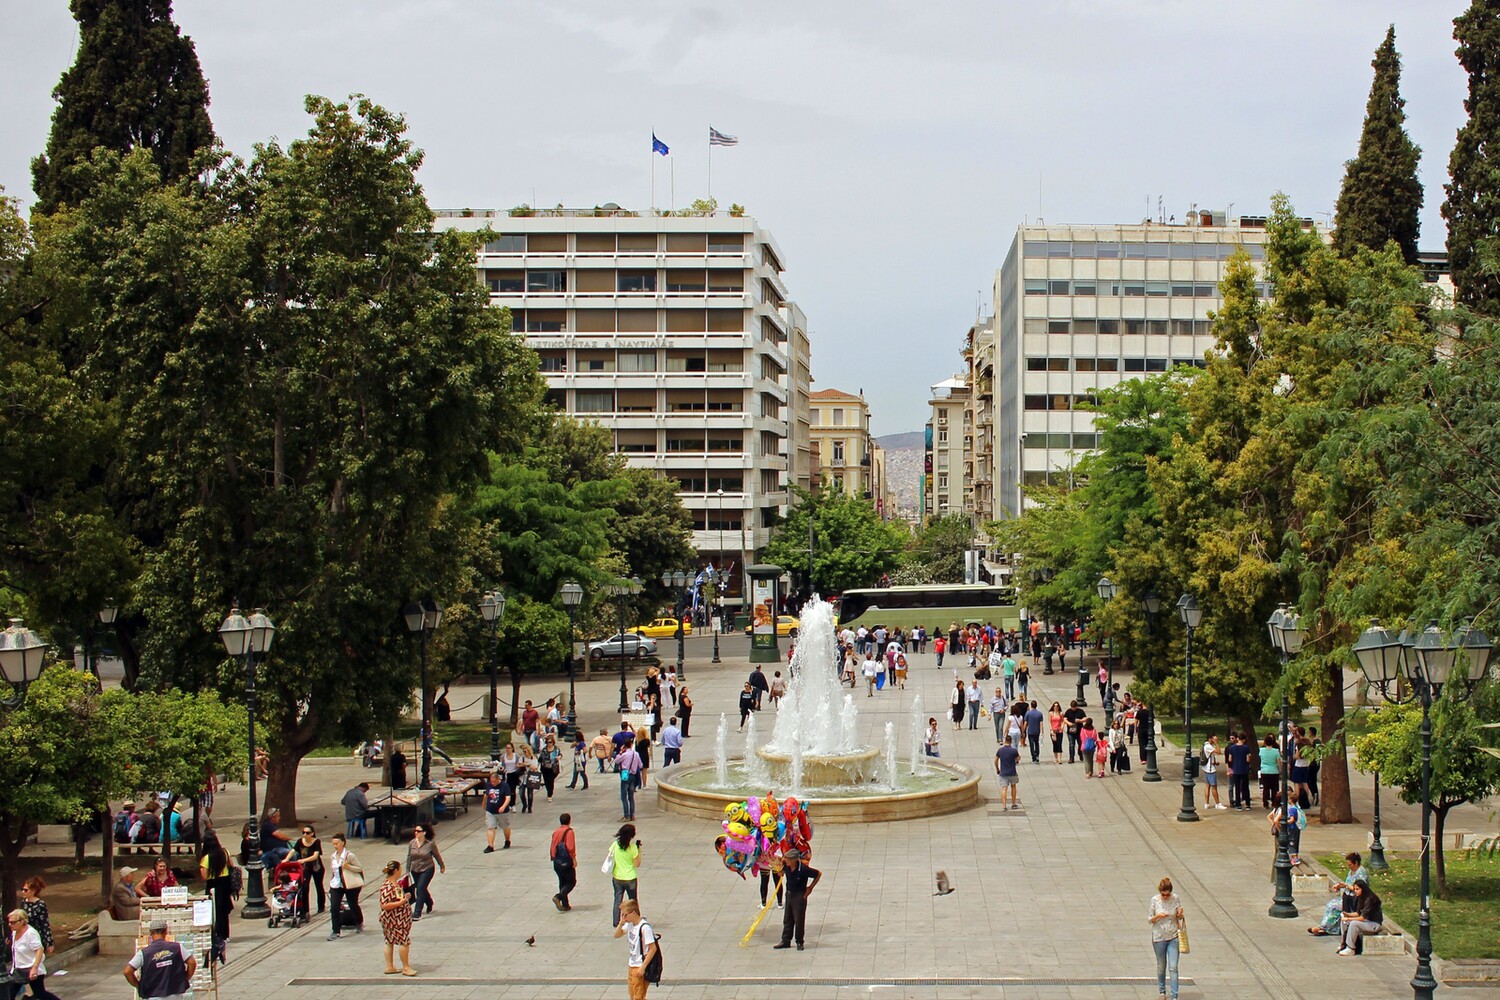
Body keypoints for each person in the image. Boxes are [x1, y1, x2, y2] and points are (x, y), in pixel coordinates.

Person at [123, 917, 194, 1000]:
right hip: (174, 994)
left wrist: (138, 985)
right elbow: (192, 963)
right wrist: (184, 979)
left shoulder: (144, 953)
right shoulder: (178, 947)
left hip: (153, 995)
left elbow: (127, 971)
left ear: (151, 933)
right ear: (165, 932)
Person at [772, 848, 821, 951]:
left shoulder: (803, 869)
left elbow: (818, 874)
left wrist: (810, 888)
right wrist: (780, 872)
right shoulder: (786, 865)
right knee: (787, 919)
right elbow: (781, 870)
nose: (786, 861)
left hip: (799, 895)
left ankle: (799, 941)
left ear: (794, 860)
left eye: (788, 859)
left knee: (799, 919)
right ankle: (785, 940)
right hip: (789, 894)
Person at [1313, 851, 1368, 937]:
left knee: (1334, 907)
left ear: (1356, 863)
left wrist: (1346, 886)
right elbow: (1348, 884)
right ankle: (1327, 927)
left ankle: (1325, 928)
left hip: (1355, 900)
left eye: (1350, 864)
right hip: (1347, 897)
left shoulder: (1361, 872)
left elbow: (1359, 889)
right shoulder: (1351, 872)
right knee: (1330, 904)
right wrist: (1339, 885)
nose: (1349, 866)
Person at [377, 859, 416, 976]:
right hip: (395, 919)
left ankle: (390, 966)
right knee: (403, 941)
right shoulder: (387, 886)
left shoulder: (394, 884)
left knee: (389, 941)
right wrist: (402, 902)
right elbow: (384, 905)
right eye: (400, 869)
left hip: (397, 918)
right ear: (396, 870)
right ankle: (406, 967)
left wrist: (404, 897)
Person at [1147, 877, 1184, 1000]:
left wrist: (1179, 914)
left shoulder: (1176, 898)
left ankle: (1174, 995)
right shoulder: (1155, 900)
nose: (1166, 897)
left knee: (1173, 967)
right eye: (1164, 895)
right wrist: (1158, 916)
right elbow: (1149, 919)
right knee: (1161, 965)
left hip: (1173, 936)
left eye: (1168, 895)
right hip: (1159, 937)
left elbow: (1179, 916)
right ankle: (1162, 991)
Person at [614, 899, 657, 1000]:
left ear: (633, 913)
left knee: (638, 996)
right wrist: (620, 924)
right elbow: (617, 935)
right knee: (633, 994)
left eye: (625, 914)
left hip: (639, 965)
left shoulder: (644, 928)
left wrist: (643, 967)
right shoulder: (629, 924)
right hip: (632, 964)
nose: (623, 917)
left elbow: (652, 948)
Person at [326, 831, 364, 940]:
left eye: (336, 843)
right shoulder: (333, 856)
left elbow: (359, 868)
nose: (335, 846)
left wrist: (348, 866)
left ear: (342, 843)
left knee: (353, 904)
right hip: (336, 884)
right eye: (333, 844)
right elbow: (333, 872)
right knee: (334, 907)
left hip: (349, 884)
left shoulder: (349, 855)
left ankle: (359, 921)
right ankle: (335, 931)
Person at [197, 834, 233, 948]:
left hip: (213, 884)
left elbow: (204, 875)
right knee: (223, 909)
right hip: (225, 882)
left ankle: (215, 933)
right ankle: (225, 934)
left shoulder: (206, 858)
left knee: (214, 909)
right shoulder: (225, 852)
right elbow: (231, 864)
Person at [405, 823, 445, 921]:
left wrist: (441, 865)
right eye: (415, 831)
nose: (416, 833)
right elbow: (409, 856)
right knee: (420, 888)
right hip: (415, 869)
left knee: (420, 888)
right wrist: (407, 869)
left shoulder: (430, 844)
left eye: (418, 831)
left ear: (424, 833)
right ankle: (429, 902)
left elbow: (436, 855)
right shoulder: (412, 843)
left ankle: (417, 912)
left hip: (427, 869)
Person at [607, 824, 642, 927]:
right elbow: (637, 864)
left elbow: (610, 854)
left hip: (617, 877)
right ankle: (637, 920)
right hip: (630, 877)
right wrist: (639, 849)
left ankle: (616, 921)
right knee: (633, 900)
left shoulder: (615, 844)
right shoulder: (632, 848)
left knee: (617, 899)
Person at [1338, 879, 1383, 956]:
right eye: (1354, 889)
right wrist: (1347, 914)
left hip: (1374, 924)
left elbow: (1362, 918)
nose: (1355, 891)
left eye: (1357, 889)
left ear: (1363, 889)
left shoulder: (1370, 899)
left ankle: (1351, 948)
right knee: (1344, 922)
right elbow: (1358, 913)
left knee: (1354, 924)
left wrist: (1348, 919)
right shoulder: (1360, 897)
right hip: (1366, 922)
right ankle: (1344, 944)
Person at [289, 824, 325, 915]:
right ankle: (305, 910)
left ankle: (321, 906)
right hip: (305, 868)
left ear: (312, 833)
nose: (305, 834)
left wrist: (303, 860)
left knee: (319, 886)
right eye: (303, 832)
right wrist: (286, 859)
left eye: (307, 833)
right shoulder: (300, 841)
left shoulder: (316, 842)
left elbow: (315, 856)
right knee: (304, 887)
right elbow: (293, 850)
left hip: (316, 867)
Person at [17, 879, 54, 963]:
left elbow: (44, 923)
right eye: (22, 889)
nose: (23, 892)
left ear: (33, 891)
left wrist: (49, 942)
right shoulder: (24, 902)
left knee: (35, 959)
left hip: (36, 934)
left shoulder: (40, 904)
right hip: (24, 934)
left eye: (26, 890)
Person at [549, 813, 577, 911]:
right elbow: (570, 847)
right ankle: (559, 896)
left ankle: (565, 904)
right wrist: (573, 859)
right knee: (571, 881)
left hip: (557, 861)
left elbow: (552, 846)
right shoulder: (569, 832)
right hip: (566, 861)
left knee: (562, 882)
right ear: (569, 821)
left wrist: (553, 858)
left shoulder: (556, 831)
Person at [1270, 793, 1306, 866]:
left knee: (1291, 843)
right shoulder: (1296, 807)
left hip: (1293, 828)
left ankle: (1294, 859)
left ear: (1291, 800)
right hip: (1296, 828)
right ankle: (1295, 858)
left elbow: (1292, 819)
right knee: (1294, 842)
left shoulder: (1292, 809)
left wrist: (1285, 822)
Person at [481, 771, 513, 853]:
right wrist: (484, 803)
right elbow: (486, 795)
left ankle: (507, 840)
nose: (493, 783)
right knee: (490, 827)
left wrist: (503, 806)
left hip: (502, 812)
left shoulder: (504, 785)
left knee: (505, 826)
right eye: (492, 781)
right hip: (491, 810)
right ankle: (490, 846)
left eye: (494, 781)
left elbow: (508, 797)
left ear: (498, 779)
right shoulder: (489, 785)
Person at [614, 738, 643, 822]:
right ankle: (632, 815)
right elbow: (641, 765)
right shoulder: (636, 754)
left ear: (624, 746)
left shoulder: (624, 754)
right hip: (633, 776)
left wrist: (620, 752)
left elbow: (616, 761)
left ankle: (626, 815)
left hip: (625, 775)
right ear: (631, 745)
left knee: (623, 796)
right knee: (631, 797)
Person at [1225, 732, 1254, 811]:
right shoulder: (1246, 748)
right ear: (1244, 740)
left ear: (1237, 739)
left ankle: (1238, 805)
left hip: (1236, 769)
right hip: (1244, 769)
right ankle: (1247, 804)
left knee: (1237, 787)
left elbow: (1230, 759)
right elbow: (1248, 759)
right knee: (1245, 787)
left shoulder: (1232, 748)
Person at [994, 736, 1021, 810]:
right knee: (1013, 787)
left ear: (1005, 740)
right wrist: (1015, 761)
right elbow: (1018, 758)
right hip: (1012, 772)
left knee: (1004, 789)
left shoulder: (1000, 750)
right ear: (1011, 741)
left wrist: (997, 769)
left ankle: (1004, 806)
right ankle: (1013, 804)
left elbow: (995, 760)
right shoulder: (1014, 751)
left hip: (1003, 773)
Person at [1258, 734, 1282, 809]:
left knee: (1266, 788)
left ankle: (1265, 803)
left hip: (1264, 771)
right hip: (1274, 771)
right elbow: (1279, 762)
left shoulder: (1261, 750)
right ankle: (1274, 802)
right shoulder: (1276, 751)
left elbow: (1261, 758)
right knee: (1274, 788)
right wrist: (1280, 770)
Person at [1201, 734, 1224, 808]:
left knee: (1207, 786)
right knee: (1214, 786)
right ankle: (1217, 803)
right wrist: (1216, 743)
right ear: (1210, 739)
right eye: (1213, 739)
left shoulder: (1205, 745)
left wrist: (1215, 763)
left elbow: (1210, 756)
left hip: (1207, 768)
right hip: (1210, 770)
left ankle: (1206, 803)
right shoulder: (1208, 746)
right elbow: (1219, 752)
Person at [539, 734, 562, 800]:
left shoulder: (556, 749)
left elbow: (560, 754)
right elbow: (540, 758)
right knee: (546, 781)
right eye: (547, 742)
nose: (549, 744)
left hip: (553, 768)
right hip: (545, 768)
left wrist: (559, 757)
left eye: (550, 742)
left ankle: (550, 794)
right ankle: (548, 792)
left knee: (550, 781)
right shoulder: (544, 749)